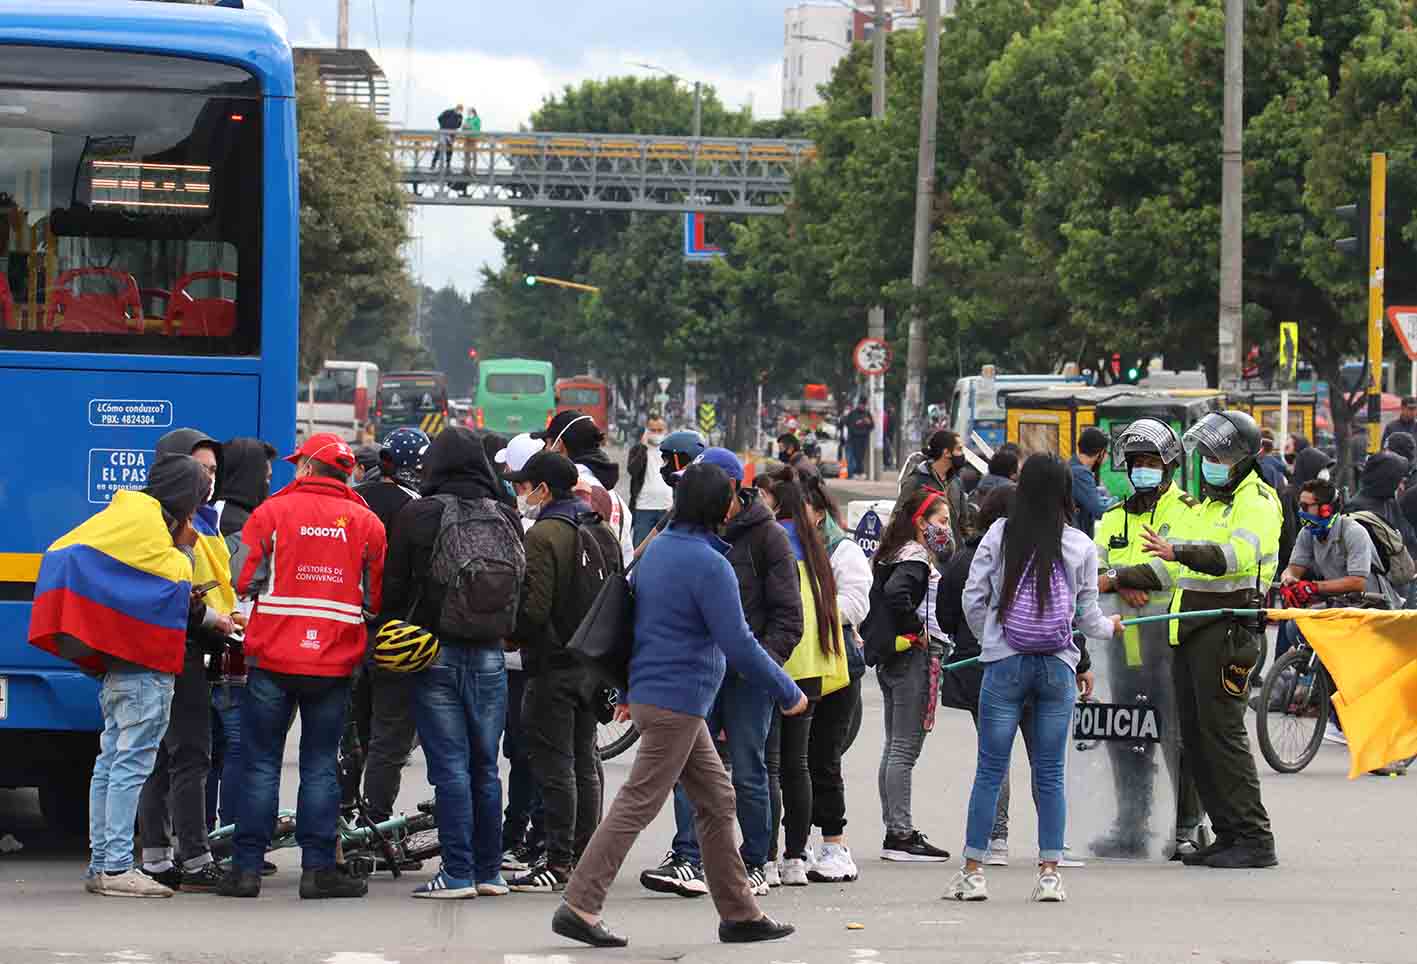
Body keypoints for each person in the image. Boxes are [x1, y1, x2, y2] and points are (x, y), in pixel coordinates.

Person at [552, 463, 806, 949]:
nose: (735, 503)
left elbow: (641, 628)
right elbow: (739, 643)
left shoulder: (660, 549)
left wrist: (632, 691)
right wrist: (788, 691)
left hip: (662, 697)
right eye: (729, 496)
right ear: (717, 506)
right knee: (638, 803)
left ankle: (740, 914)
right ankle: (580, 904)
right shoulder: (709, 564)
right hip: (678, 702)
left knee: (716, 801)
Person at [29, 454, 211, 897]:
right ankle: (115, 868)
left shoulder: (126, 516)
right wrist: (186, 547)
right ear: (184, 496)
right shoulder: (154, 531)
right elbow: (176, 582)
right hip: (146, 672)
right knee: (130, 768)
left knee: (109, 766)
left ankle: (102, 864)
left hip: (117, 670)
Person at [950, 454, 1123, 903]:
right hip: (1057, 667)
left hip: (1004, 664)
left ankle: (973, 873)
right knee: (1050, 774)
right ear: (1066, 493)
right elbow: (1088, 617)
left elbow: (973, 597)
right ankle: (1049, 874)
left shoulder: (999, 535)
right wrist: (1111, 628)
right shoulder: (1080, 545)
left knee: (990, 770)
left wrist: (991, 639)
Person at [221, 434, 386, 900]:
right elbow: (375, 599)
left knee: (260, 763)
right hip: (333, 662)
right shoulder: (368, 523)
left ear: (309, 468)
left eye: (298, 463)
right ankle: (318, 870)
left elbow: (242, 579)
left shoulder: (270, 513)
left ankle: (246, 870)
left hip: (272, 657)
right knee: (319, 764)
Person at [1115, 411, 1281, 869]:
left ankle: (1254, 837)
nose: (1208, 463)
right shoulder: (1208, 506)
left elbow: (1236, 557)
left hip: (1226, 631)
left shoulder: (1257, 501)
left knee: (1222, 736)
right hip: (1192, 632)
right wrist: (1116, 577)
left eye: (1216, 456)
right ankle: (1227, 834)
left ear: (1242, 459)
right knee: (1196, 737)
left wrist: (1179, 551)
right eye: (1205, 455)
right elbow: (1169, 567)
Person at [641, 449, 802, 897]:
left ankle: (755, 861)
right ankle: (688, 858)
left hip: (749, 676)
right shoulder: (683, 531)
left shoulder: (768, 537)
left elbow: (789, 618)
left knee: (748, 771)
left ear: (730, 488)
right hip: (697, 676)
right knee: (687, 769)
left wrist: (762, 668)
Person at [380, 426, 522, 899]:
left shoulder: (418, 513)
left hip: (432, 653)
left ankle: (457, 872)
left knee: (450, 767)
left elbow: (394, 589)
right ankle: (489, 871)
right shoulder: (506, 513)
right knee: (486, 767)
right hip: (491, 655)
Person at [1093, 419, 1207, 859]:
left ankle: (1188, 827)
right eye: (1137, 462)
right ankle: (1131, 826)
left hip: (1171, 644)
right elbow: (1091, 572)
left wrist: (1118, 577)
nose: (1143, 469)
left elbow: (1174, 568)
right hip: (1122, 644)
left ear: (1170, 466)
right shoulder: (1112, 516)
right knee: (1125, 734)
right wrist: (1120, 581)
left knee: (1176, 737)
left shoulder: (1188, 510)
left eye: (1152, 462)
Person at [506, 451, 617, 894]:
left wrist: (511, 636)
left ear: (544, 489)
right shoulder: (601, 529)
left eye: (525, 485)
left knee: (555, 766)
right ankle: (583, 857)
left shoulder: (544, 535)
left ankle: (557, 861)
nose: (522, 493)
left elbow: (534, 609)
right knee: (585, 760)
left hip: (552, 666)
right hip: (594, 665)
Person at [138, 428, 242, 893]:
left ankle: (158, 857)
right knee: (190, 756)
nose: (209, 479)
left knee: (163, 758)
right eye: (200, 469)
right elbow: (174, 593)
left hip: (192, 644)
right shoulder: (168, 524)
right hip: (179, 648)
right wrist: (214, 619)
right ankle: (195, 860)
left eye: (214, 470)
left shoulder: (202, 520)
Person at [937, 484, 1030, 865]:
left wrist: (980, 638)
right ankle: (1054, 842)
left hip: (981, 666)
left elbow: (946, 615)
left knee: (995, 754)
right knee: (1045, 758)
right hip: (1036, 660)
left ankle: (997, 838)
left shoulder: (964, 559)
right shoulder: (1036, 554)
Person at [859, 488, 953, 862]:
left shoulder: (892, 553)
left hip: (893, 658)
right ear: (920, 522)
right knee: (904, 748)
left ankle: (895, 829)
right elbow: (898, 594)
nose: (946, 529)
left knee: (894, 745)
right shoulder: (915, 559)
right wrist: (918, 630)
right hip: (913, 658)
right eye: (941, 521)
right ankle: (900, 833)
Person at [345, 428, 429, 831]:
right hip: (398, 635)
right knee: (389, 736)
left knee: (350, 731)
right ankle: (375, 824)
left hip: (345, 631)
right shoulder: (419, 508)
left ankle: (340, 812)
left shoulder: (354, 499)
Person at [797, 472, 871, 883]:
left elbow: (855, 603)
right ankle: (797, 844)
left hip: (836, 667)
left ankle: (835, 845)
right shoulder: (785, 547)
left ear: (819, 512)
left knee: (824, 757)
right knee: (793, 761)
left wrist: (807, 612)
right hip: (796, 664)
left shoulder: (844, 551)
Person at [208, 438, 277, 845]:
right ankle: (231, 838)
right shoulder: (248, 524)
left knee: (204, 753)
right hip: (236, 651)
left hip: (200, 648)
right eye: (265, 476)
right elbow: (245, 583)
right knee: (238, 747)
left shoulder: (203, 513)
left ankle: (199, 837)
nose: (268, 483)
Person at [493, 431, 547, 870]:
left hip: (520, 660)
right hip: (531, 659)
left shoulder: (529, 530)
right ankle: (526, 834)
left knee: (524, 753)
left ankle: (519, 835)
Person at [1282, 478, 1401, 610]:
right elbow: (1294, 569)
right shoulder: (1307, 533)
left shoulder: (1353, 532)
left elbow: (1357, 582)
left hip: (1373, 606)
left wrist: (1313, 587)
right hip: (1341, 604)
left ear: (1326, 509)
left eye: (1305, 507)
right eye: (1300, 505)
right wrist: (1288, 581)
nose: (1300, 511)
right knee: (1298, 620)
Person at [536, 410, 635, 565]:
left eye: (547, 443)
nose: (545, 450)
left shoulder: (572, 491)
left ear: (559, 445)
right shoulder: (615, 497)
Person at [897, 429, 969, 545]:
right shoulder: (916, 481)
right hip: (924, 550)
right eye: (959, 449)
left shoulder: (956, 482)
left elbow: (963, 522)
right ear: (946, 452)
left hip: (953, 551)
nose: (962, 454)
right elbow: (898, 517)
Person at [627, 415, 675, 545]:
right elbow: (633, 471)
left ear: (666, 430)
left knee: (665, 548)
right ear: (646, 430)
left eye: (660, 430)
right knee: (640, 548)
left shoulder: (670, 451)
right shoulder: (637, 449)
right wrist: (643, 447)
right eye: (653, 430)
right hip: (643, 508)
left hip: (666, 508)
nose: (656, 433)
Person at [1070, 426, 1110, 538]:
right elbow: (1100, 509)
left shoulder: (1071, 466)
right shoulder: (1080, 473)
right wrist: (1119, 503)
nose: (1107, 457)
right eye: (1107, 453)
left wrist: (1099, 492)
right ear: (1100, 453)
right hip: (1076, 539)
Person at [843, 400, 875, 479]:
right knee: (855, 456)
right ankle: (855, 472)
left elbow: (872, 426)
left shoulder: (867, 413)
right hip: (854, 438)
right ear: (858, 404)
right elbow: (847, 423)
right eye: (861, 405)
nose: (862, 407)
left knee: (861, 456)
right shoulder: (853, 413)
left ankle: (859, 472)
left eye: (864, 405)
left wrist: (868, 423)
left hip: (863, 438)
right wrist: (856, 424)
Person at [432, 103, 463, 172]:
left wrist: (456, 127)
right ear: (456, 108)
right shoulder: (448, 112)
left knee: (450, 149)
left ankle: (448, 165)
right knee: (439, 147)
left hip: (452, 134)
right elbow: (439, 118)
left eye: (461, 110)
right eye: (459, 109)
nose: (460, 111)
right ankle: (433, 163)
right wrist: (443, 126)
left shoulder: (460, 116)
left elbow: (459, 125)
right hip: (444, 132)